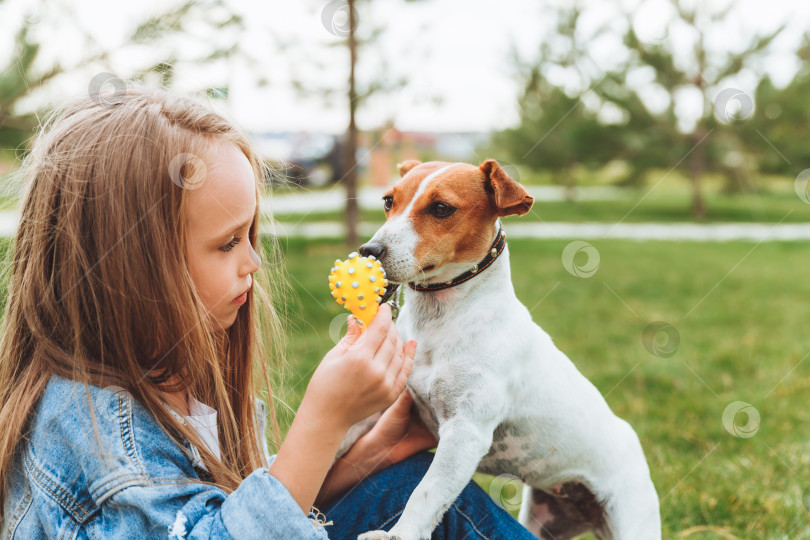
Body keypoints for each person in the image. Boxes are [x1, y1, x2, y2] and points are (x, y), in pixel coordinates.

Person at [0, 84, 538, 539]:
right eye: (228, 242)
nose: (254, 261)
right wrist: (322, 423)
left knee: (407, 483)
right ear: (129, 265)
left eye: (251, 234)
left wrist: (367, 455)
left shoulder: (183, 375)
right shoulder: (94, 438)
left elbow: (255, 510)